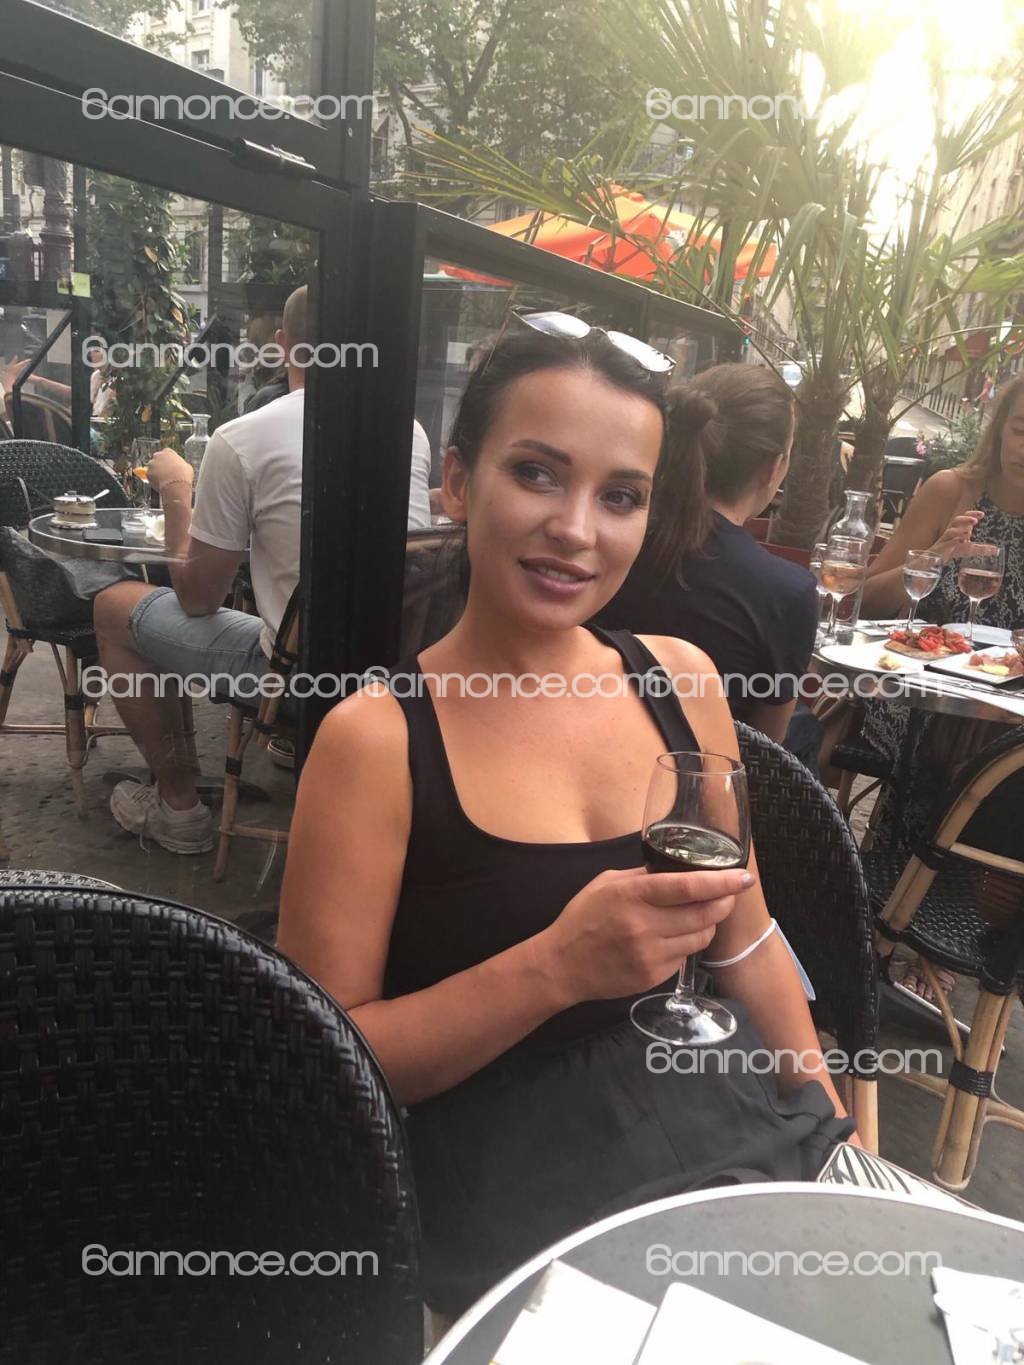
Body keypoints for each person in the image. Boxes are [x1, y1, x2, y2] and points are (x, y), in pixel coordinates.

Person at [277, 320, 854, 1317]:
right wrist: (556, 966)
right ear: (457, 483)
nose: (577, 529)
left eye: (620, 496)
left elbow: (747, 937)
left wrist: (832, 1131)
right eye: (537, 474)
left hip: (723, 1129)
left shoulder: (681, 680)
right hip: (513, 1192)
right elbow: (327, 1060)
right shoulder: (376, 740)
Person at [93, 284, 310, 853]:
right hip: (392, 675)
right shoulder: (408, 433)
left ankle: (179, 808)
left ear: (283, 345)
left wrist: (176, 490)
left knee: (114, 608)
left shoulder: (243, 439)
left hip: (292, 680)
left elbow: (197, 599)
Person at [859, 372, 1024, 1002]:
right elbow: (867, 597)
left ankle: (951, 919)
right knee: (970, 749)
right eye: (1021, 429)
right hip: (917, 693)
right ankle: (911, 917)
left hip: (1006, 707)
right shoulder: (952, 491)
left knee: (1002, 755)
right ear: (1000, 427)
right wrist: (935, 558)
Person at [597, 362, 818, 751]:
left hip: (579, 746)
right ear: (772, 469)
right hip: (698, 777)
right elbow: (766, 748)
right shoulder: (785, 592)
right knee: (807, 729)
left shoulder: (608, 539)